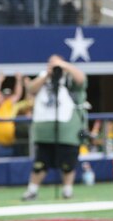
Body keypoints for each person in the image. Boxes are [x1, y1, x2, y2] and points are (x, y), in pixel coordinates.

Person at [22, 55, 87, 200]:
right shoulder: (44, 76)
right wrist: (47, 74)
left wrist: (64, 66)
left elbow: (81, 79)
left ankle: (67, 189)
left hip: (67, 127)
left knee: (68, 161)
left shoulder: (69, 78)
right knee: (41, 162)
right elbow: (31, 89)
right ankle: (32, 190)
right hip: (44, 127)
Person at [0, 73, 25, 157]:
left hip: (10, 145)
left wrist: (19, 80)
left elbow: (17, 95)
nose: (0, 96)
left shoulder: (6, 105)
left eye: (1, 95)